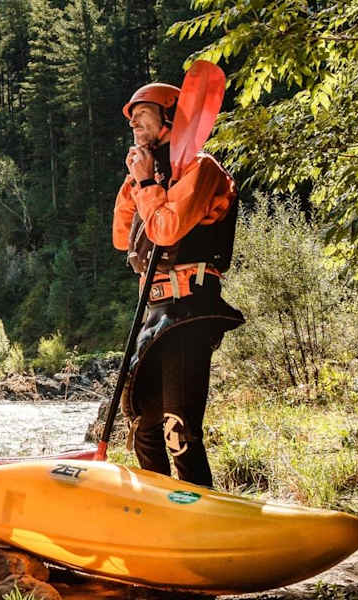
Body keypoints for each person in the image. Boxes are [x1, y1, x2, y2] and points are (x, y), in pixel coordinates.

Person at [113, 82, 244, 486]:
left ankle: (198, 508)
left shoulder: (201, 169)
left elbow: (167, 230)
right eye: (131, 116)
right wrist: (140, 181)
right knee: (144, 424)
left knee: (178, 426)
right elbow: (122, 237)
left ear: (171, 117)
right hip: (153, 313)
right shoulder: (153, 175)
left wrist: (150, 186)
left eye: (143, 112)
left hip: (190, 309)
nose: (133, 121)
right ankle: (159, 509)